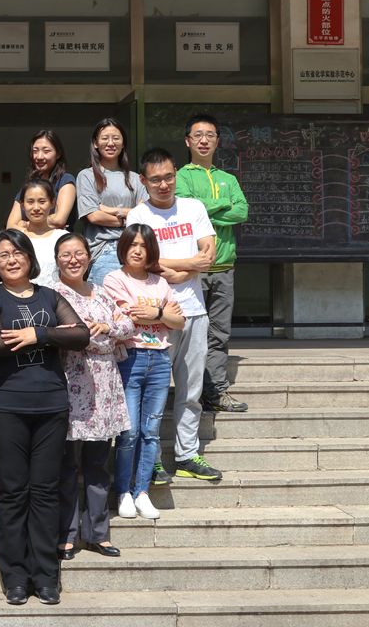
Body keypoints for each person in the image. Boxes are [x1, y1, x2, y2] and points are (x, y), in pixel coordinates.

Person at [0, 229, 90, 606]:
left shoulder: (50, 296)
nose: (11, 259)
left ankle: (45, 575)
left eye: (17, 252)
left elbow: (81, 335)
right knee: (12, 492)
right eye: (3, 254)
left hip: (51, 406)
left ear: (29, 258)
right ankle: (15, 576)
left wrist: (37, 334)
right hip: (6, 407)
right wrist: (53, 334)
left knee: (44, 491)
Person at [126, 148, 220, 484]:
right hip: (155, 315)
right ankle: (149, 461)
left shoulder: (193, 208)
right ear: (143, 181)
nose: (163, 184)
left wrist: (178, 270)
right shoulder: (138, 215)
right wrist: (189, 264)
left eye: (168, 177)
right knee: (152, 393)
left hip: (194, 311)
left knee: (191, 391)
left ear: (176, 173)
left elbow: (209, 254)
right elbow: (142, 260)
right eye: (155, 180)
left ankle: (186, 455)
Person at [53, 233, 134, 560]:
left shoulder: (101, 291)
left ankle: (97, 533)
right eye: (66, 254)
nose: (73, 260)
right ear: (56, 259)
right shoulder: (54, 294)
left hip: (105, 386)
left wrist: (108, 329)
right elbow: (71, 336)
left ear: (89, 256)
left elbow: (128, 326)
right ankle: (66, 535)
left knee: (99, 464)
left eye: (79, 253)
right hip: (71, 382)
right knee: (68, 464)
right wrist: (98, 333)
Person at [103, 225, 185, 519]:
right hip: (130, 358)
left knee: (150, 432)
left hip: (160, 360)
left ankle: (142, 493)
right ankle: (123, 492)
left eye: (144, 246)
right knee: (129, 432)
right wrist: (162, 316)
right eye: (132, 244)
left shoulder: (160, 282)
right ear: (123, 247)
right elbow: (128, 315)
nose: (137, 251)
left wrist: (158, 314)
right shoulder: (114, 279)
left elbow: (179, 322)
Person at [176, 113, 249, 413]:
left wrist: (205, 209)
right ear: (188, 141)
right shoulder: (181, 176)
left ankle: (216, 393)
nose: (203, 140)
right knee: (187, 336)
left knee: (219, 335)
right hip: (193, 269)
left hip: (224, 269)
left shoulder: (228, 179)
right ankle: (186, 394)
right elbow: (186, 210)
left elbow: (242, 211)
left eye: (209, 135)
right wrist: (223, 204)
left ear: (218, 141)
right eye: (197, 135)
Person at [76, 119, 149, 285]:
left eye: (116, 138)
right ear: (95, 143)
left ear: (123, 143)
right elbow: (94, 216)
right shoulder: (87, 176)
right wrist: (128, 218)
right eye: (105, 138)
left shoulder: (136, 179)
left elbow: (145, 214)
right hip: (105, 251)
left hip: (135, 249)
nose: (110, 143)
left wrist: (111, 210)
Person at [6, 130, 76, 231]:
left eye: (46, 151)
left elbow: (59, 219)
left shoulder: (65, 180)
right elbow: (10, 226)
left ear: (58, 154)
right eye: (35, 151)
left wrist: (25, 223)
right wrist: (47, 223)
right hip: (29, 240)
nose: (39, 157)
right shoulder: (29, 187)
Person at [19, 180, 69, 288]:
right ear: (22, 205)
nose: (36, 208)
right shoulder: (16, 240)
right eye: (30, 202)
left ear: (52, 203)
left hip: (56, 296)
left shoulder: (63, 238)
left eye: (42, 201)